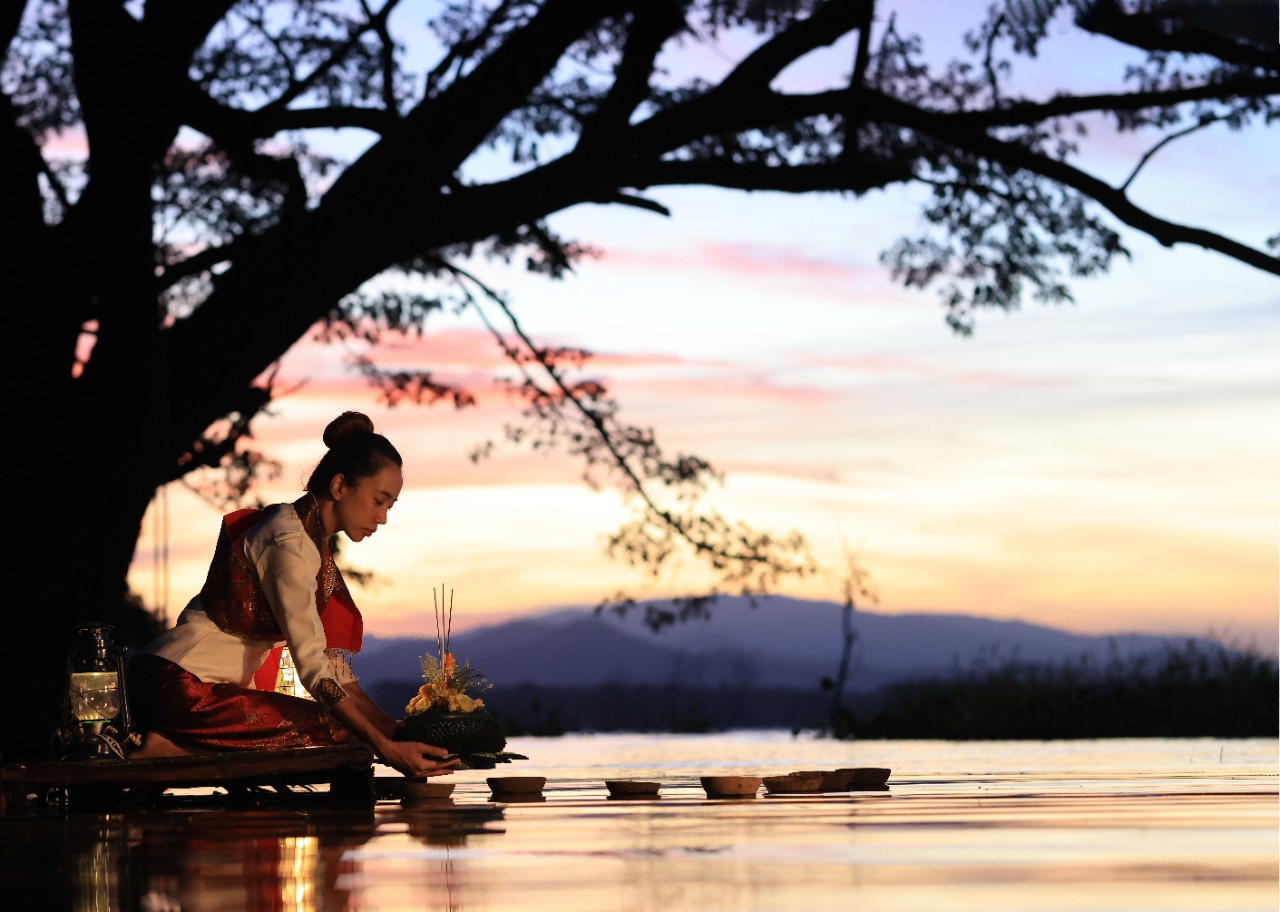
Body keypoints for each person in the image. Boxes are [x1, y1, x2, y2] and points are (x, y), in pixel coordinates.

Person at [129, 411, 456, 779]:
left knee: (345, 728)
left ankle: (177, 747)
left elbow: (331, 667)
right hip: (179, 689)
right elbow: (314, 670)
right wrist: (388, 749)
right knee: (337, 730)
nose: (382, 518)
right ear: (339, 487)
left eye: (389, 506)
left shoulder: (307, 542)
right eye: (379, 500)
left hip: (192, 692)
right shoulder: (287, 543)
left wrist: (391, 729)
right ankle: (173, 750)